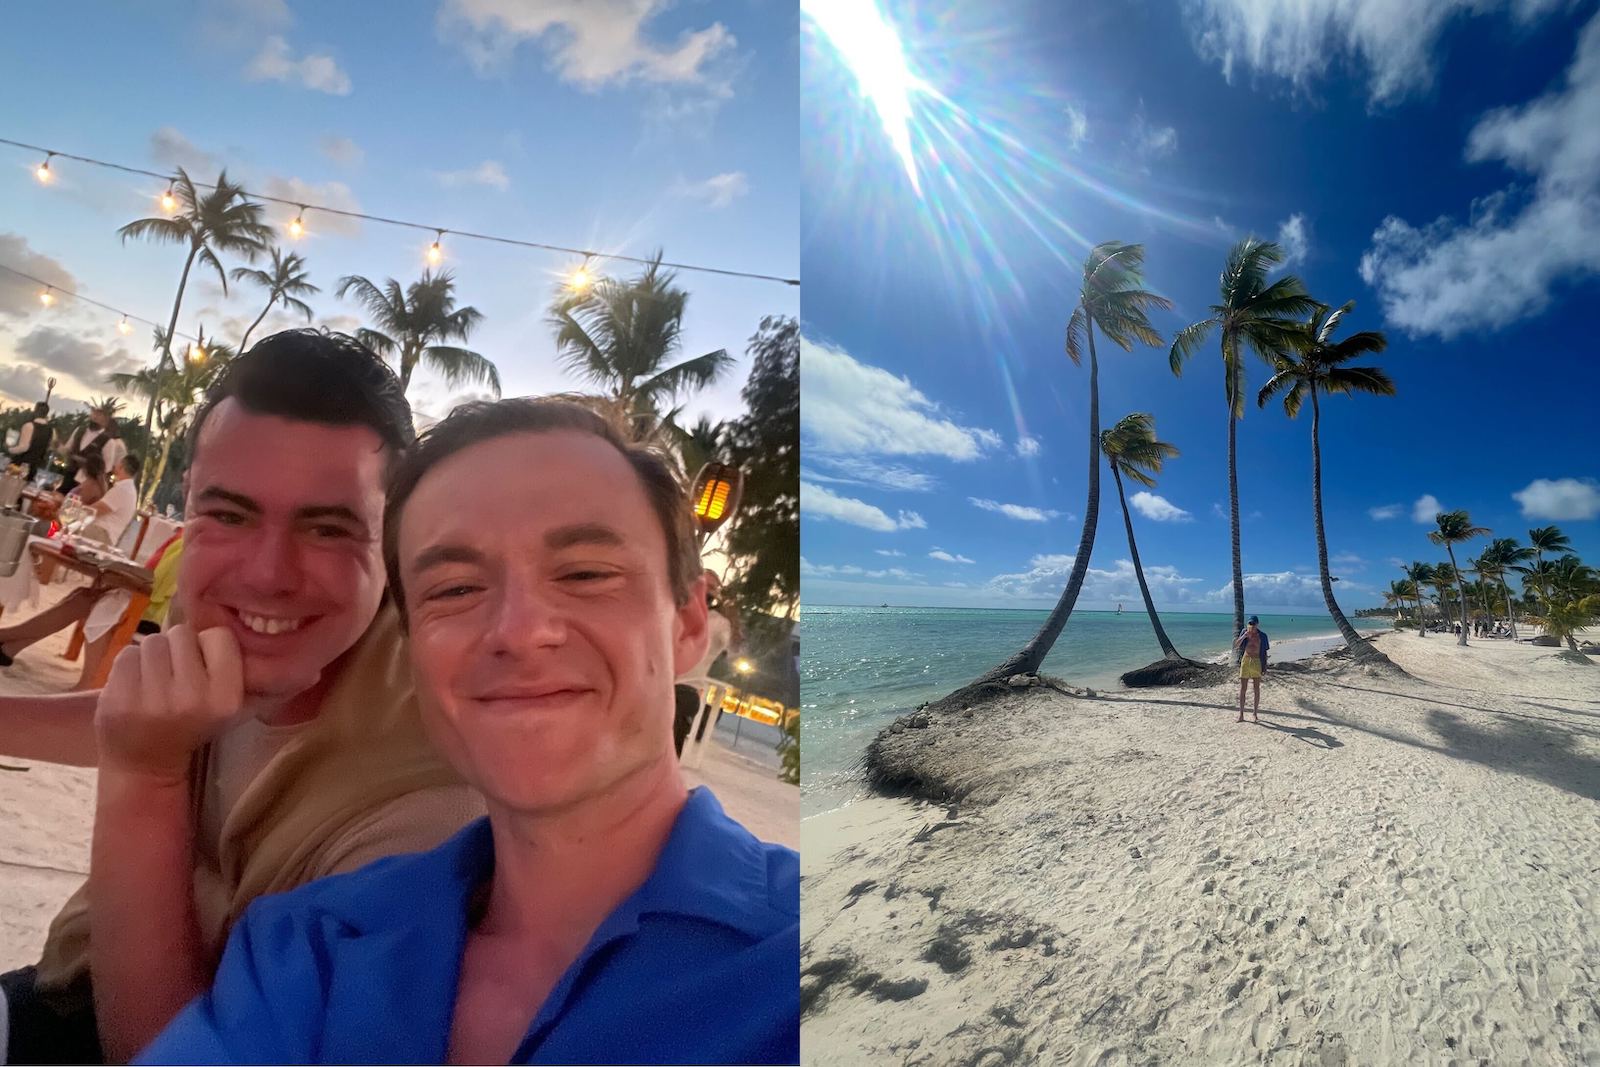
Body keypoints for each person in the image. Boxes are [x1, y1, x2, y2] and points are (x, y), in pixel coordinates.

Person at [138, 398, 799, 1065]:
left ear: (687, 622)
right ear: (412, 645)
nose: (517, 630)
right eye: (454, 588)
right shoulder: (309, 951)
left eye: (585, 574)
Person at [0, 330, 484, 1065]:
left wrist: (145, 779)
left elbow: (157, 1051)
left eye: (327, 527)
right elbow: (145, 719)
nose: (266, 574)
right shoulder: (241, 610)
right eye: (228, 513)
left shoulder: (431, 798)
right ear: (190, 500)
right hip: (67, 983)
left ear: (397, 541)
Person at [0, 530, 181, 671]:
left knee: (91, 601)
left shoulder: (188, 542)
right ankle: (9, 647)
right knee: (83, 595)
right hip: (143, 598)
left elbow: (156, 588)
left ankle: (7, 636)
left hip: (153, 616)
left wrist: (121, 580)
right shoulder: (184, 537)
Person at [673, 569, 737, 755]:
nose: (704, 589)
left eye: (711, 587)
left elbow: (733, 648)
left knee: (665, 755)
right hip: (657, 689)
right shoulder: (674, 612)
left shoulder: (718, 623)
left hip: (684, 691)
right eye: (701, 583)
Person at [58, 405, 125, 491]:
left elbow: (106, 468)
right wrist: (58, 446)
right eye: (94, 413)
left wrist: (87, 464)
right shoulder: (79, 430)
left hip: (85, 483)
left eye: (99, 414)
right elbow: (67, 450)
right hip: (69, 477)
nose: (95, 416)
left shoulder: (108, 442)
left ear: (105, 420)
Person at [79, 453, 140, 546]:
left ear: (121, 466)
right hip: (101, 533)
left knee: (60, 527)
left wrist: (71, 511)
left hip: (101, 534)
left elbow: (93, 511)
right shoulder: (128, 489)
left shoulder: (123, 490)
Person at [7, 401, 54, 479]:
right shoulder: (50, 430)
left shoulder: (29, 426)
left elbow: (24, 447)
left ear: (35, 411)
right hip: (34, 466)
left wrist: (10, 449)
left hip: (19, 465)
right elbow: (48, 447)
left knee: (9, 488)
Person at [1235, 615, 1268, 723]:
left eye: (1253, 624)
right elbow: (1236, 645)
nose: (1252, 626)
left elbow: (1265, 652)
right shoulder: (1245, 632)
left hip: (1257, 661)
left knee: (1256, 689)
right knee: (1243, 689)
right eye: (1250, 624)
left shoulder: (1262, 636)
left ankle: (1255, 713)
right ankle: (1241, 714)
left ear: (1257, 624)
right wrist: (1244, 636)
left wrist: (1265, 666)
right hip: (1246, 660)